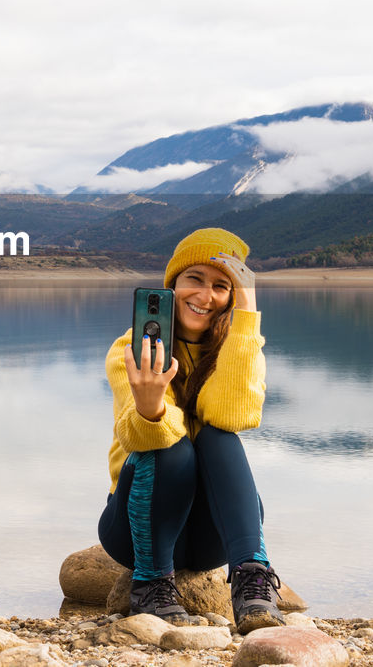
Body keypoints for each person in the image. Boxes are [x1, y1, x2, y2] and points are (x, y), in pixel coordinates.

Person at [97, 228, 286, 632]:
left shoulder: (241, 346)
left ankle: (253, 581)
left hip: (208, 537)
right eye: (194, 280)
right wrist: (151, 408)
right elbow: (140, 440)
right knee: (171, 446)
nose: (205, 297)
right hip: (135, 527)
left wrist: (247, 311)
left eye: (222, 286)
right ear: (173, 285)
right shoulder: (129, 349)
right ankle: (150, 584)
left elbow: (233, 417)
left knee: (219, 437)